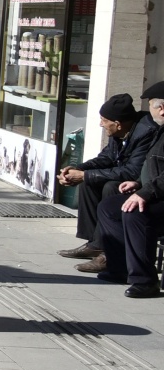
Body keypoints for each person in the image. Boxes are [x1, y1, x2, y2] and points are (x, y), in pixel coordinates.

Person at [56, 93, 155, 273]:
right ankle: (96, 243)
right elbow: (107, 157)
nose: (101, 124)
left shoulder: (145, 132)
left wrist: (86, 175)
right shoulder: (120, 131)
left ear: (118, 123)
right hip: (127, 177)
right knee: (88, 182)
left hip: (141, 184)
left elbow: (133, 171)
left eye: (104, 120)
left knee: (110, 186)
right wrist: (78, 169)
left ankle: (110, 251)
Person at [95, 83, 164, 298]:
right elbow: (153, 167)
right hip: (156, 191)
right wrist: (138, 183)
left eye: (152, 107)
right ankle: (120, 268)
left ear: (162, 108)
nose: (150, 113)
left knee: (135, 212)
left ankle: (144, 281)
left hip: (159, 195)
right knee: (110, 207)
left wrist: (144, 193)